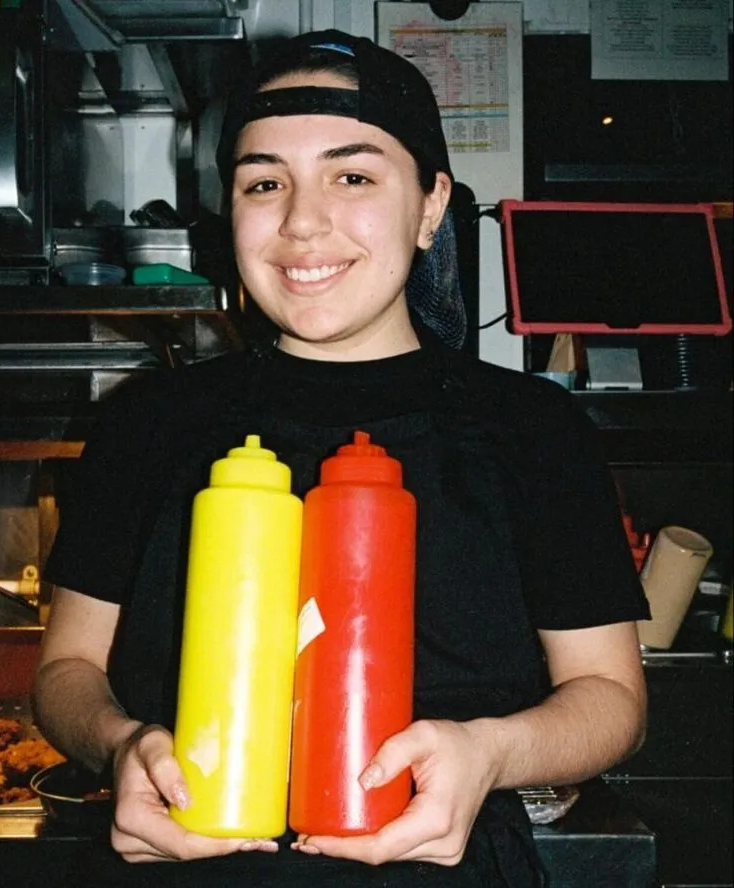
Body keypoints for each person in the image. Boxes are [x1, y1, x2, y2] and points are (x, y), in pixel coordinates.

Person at [34, 29, 650, 888]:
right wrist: (120, 743)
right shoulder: (150, 421)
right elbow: (66, 669)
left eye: (352, 176)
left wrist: (489, 751)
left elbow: (611, 700)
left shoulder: (531, 429)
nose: (302, 221)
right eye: (263, 183)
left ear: (432, 204)